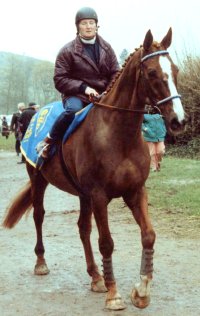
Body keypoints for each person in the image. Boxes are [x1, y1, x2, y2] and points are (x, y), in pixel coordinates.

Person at [38, 6, 119, 159]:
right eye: (84, 23)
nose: (88, 26)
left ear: (96, 25)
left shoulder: (107, 48)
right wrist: (84, 88)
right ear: (77, 27)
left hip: (104, 94)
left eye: (91, 23)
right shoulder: (67, 51)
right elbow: (59, 79)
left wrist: (108, 91)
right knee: (72, 111)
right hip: (77, 95)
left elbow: (116, 72)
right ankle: (48, 141)